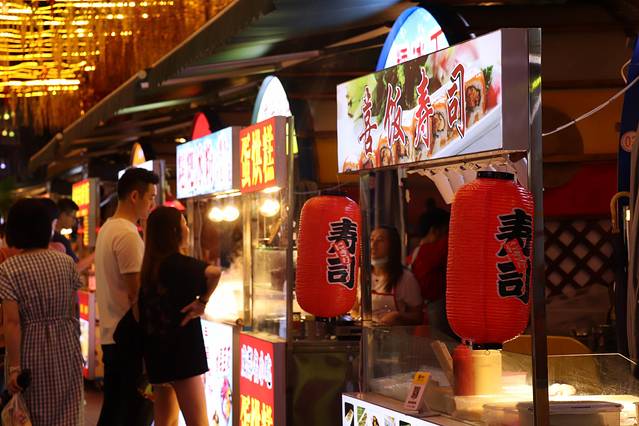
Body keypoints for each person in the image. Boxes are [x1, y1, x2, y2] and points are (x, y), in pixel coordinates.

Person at [0, 198, 83, 425]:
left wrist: (15, 368)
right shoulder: (66, 263)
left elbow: (12, 323)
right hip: (66, 348)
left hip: (30, 351)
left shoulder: (9, 269)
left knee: (31, 415)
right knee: (66, 414)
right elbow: (74, 311)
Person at [139, 206, 221, 426]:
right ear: (174, 231)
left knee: (166, 421)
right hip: (183, 354)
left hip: (157, 354)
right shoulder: (178, 263)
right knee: (198, 423)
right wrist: (203, 302)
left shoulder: (150, 267)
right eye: (184, 223)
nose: (188, 228)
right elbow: (214, 273)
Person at [95, 167, 159, 426]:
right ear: (135, 196)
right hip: (127, 340)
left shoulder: (108, 229)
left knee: (115, 411)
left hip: (113, 336)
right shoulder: (127, 234)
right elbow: (136, 295)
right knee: (131, 413)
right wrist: (148, 340)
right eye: (150, 197)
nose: (152, 203)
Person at [408, 207, 452, 335]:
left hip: (426, 312)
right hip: (435, 312)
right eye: (446, 231)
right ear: (435, 231)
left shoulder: (414, 254)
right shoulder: (432, 250)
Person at [370, 226, 423, 325]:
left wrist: (398, 316)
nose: (373, 245)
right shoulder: (362, 275)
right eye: (371, 239)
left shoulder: (406, 278)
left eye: (380, 240)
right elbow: (355, 308)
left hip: (395, 332)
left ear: (392, 246)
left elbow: (418, 316)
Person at [52, 198, 80, 262]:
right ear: (63, 215)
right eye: (73, 217)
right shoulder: (60, 239)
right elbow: (76, 265)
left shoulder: (50, 236)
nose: (74, 221)